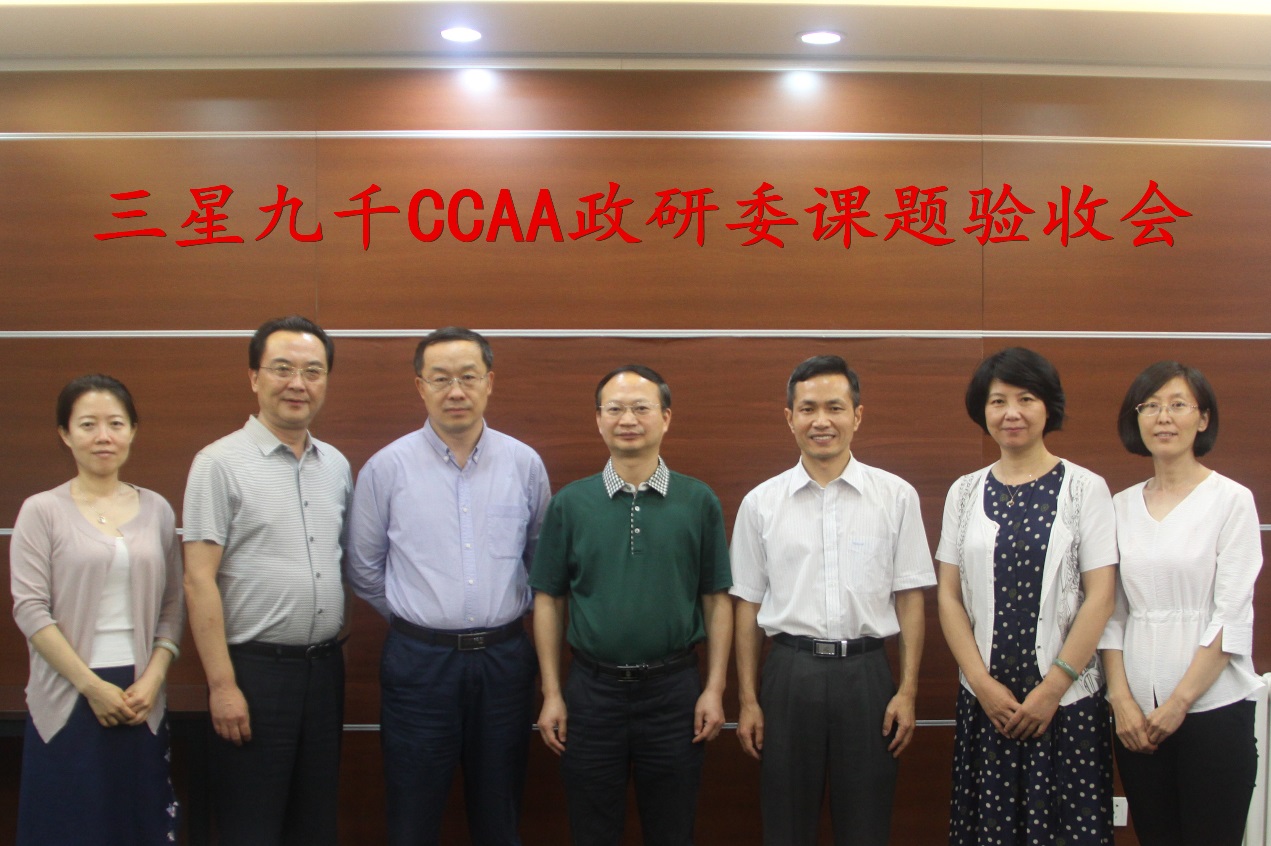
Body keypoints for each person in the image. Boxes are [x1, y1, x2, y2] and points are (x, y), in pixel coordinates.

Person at [346, 327, 550, 846]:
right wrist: (417, 619)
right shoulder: (386, 468)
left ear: (489, 382)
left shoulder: (524, 464)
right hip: (419, 664)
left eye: (468, 377)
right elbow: (364, 566)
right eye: (440, 379)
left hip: (504, 662)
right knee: (412, 815)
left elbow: (541, 560)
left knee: (500, 812)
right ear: (420, 387)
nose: (455, 391)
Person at [730, 355, 935, 846]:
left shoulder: (896, 496)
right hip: (789, 674)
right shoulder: (760, 503)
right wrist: (749, 699)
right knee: (785, 824)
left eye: (835, 408)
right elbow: (747, 606)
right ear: (790, 418)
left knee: (866, 825)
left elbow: (910, 599)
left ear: (857, 416)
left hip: (867, 677)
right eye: (808, 409)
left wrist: (907, 691)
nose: (821, 421)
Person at [529, 364, 733, 846]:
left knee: (672, 829)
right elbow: (548, 601)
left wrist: (715, 688)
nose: (628, 419)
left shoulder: (698, 500)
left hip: (674, 694)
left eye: (641, 408)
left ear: (666, 417)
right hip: (591, 694)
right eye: (615, 409)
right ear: (598, 420)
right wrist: (552, 693)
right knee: (591, 830)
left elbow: (716, 599)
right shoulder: (571, 503)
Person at [936, 347, 1117, 845]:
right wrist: (982, 684)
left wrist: (1052, 689)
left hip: (1067, 704)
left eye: (1026, 399)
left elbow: (1101, 595)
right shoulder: (963, 492)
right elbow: (948, 596)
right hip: (987, 704)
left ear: (1047, 407)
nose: (1011, 413)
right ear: (983, 410)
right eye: (998, 401)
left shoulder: (1085, 488)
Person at [182, 315, 352, 846]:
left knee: (315, 824)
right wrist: (222, 685)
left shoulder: (336, 465)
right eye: (282, 369)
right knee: (249, 826)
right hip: (253, 675)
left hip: (324, 672)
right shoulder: (218, 463)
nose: (298, 383)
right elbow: (198, 581)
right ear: (254, 377)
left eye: (312, 371)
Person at [10, 374, 184, 845]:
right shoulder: (41, 511)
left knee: (138, 825)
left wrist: (152, 679)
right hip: (69, 694)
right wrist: (91, 686)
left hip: (140, 695)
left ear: (133, 431)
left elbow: (173, 605)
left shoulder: (158, 509)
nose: (103, 436)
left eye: (116, 423)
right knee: (71, 827)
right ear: (65, 434)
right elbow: (30, 610)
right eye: (88, 424)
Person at [1100, 361, 1262, 846]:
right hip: (1136, 717)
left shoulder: (1231, 500)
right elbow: (1110, 613)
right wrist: (1121, 701)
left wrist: (1179, 704)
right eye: (1150, 406)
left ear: (1203, 418)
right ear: (1136, 420)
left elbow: (1231, 616)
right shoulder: (1119, 506)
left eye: (1177, 405)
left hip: (1214, 708)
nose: (1163, 417)